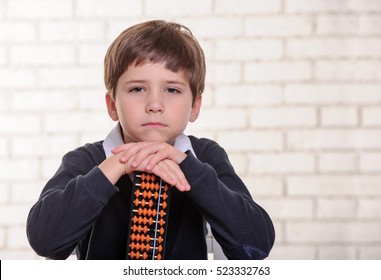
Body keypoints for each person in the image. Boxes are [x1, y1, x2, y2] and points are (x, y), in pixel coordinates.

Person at [26, 20, 275, 260]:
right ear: (113, 105)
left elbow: (256, 246)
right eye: (137, 89)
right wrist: (117, 165)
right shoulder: (87, 160)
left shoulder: (205, 156)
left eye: (172, 90)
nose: (155, 105)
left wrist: (190, 168)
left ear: (194, 107)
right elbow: (45, 241)